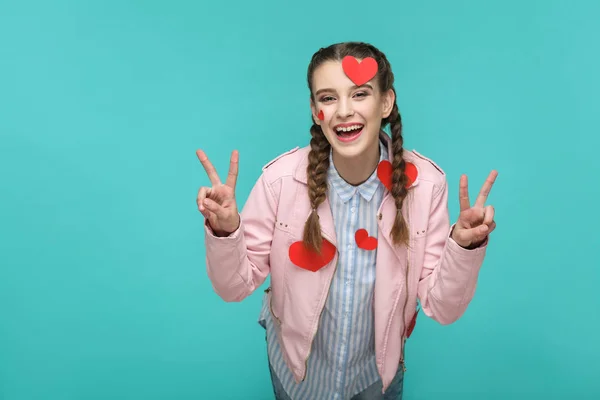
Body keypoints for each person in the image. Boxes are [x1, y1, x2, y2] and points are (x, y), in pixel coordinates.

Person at [196, 41, 497, 400]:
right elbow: (234, 287)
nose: (343, 111)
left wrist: (464, 246)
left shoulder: (426, 187)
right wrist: (225, 230)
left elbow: (443, 307)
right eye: (327, 98)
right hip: (296, 377)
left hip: (374, 381)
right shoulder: (280, 181)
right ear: (313, 110)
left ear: (386, 102)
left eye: (359, 94)